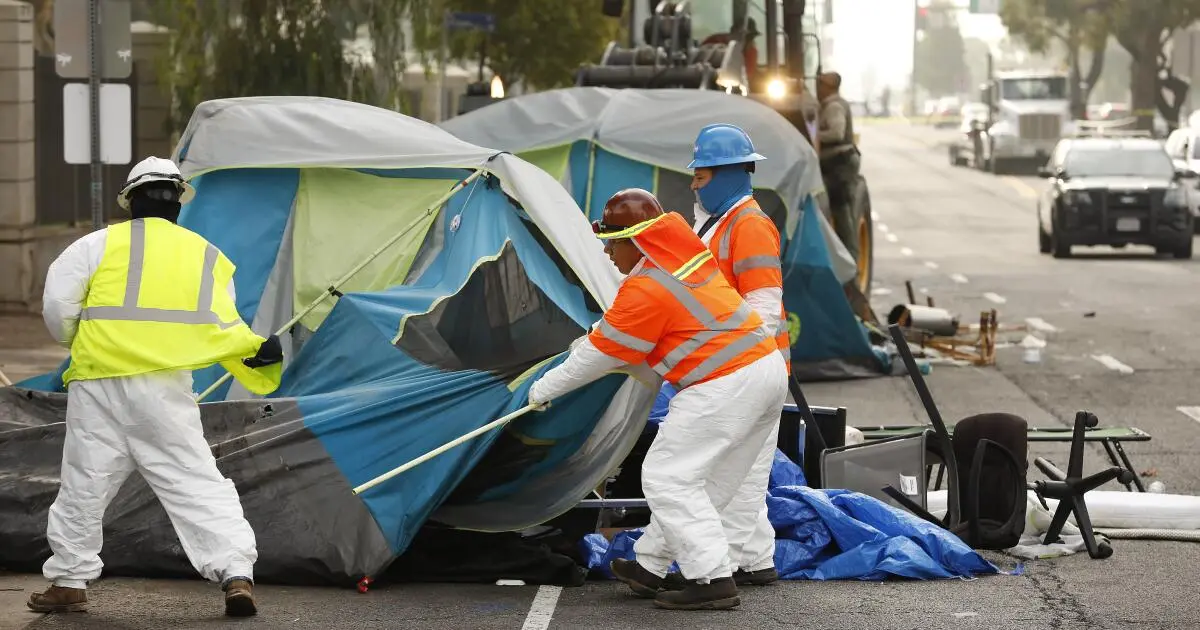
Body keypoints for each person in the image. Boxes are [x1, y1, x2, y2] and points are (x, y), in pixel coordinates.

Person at [28, 156, 285, 618]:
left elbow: (57, 309)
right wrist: (255, 348)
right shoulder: (206, 256)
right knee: (194, 479)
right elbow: (223, 324)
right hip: (165, 389)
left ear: (130, 202)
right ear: (178, 204)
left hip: (100, 383)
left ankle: (69, 580)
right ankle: (235, 574)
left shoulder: (93, 246)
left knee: (84, 482)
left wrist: (84, 342)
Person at [528, 189, 788, 610]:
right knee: (706, 481)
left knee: (670, 478)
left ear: (636, 240)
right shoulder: (681, 260)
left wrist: (540, 391)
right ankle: (651, 566)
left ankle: (712, 581)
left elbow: (602, 354)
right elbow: (609, 335)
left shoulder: (648, 288)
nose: (609, 253)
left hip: (722, 383)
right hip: (763, 371)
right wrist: (588, 343)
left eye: (613, 242)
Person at [665, 122, 786, 590]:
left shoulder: (749, 225)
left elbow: (764, 309)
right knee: (743, 472)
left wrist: (734, 368)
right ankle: (756, 560)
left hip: (745, 369)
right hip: (741, 368)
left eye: (701, 175)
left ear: (731, 173)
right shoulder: (720, 221)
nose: (695, 183)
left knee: (734, 475)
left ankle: (725, 566)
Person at [816, 71, 863, 262]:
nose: (818, 88)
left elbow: (836, 133)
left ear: (828, 87)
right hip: (838, 165)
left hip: (839, 167)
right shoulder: (832, 104)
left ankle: (850, 263)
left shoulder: (834, 106)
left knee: (842, 214)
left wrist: (814, 136)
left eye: (821, 84)